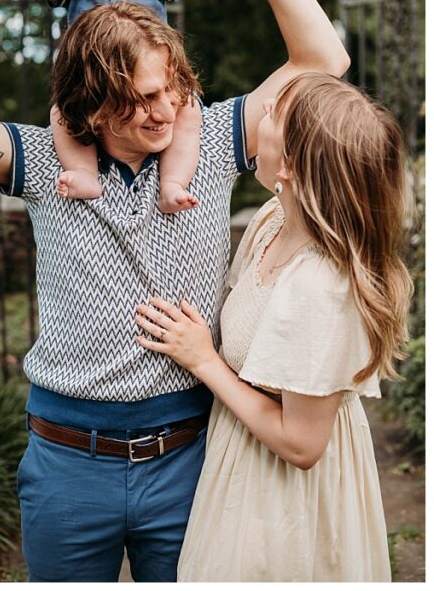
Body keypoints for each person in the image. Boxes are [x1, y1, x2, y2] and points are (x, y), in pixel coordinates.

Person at [0, 0, 350, 582]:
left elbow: (324, 60)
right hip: (67, 464)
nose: (164, 109)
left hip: (191, 459)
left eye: (172, 90)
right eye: (139, 99)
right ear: (90, 105)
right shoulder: (46, 164)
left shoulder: (209, 140)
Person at [134, 72, 409, 581]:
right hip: (239, 459)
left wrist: (203, 361)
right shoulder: (272, 221)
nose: (261, 118)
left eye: (275, 117)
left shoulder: (319, 288)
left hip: (286, 494)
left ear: (290, 166)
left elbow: (302, 445)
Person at [0, 0, 229, 209]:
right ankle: (84, 173)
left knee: (189, 111)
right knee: (62, 116)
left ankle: (172, 182)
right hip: (93, 86)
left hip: (149, 80)